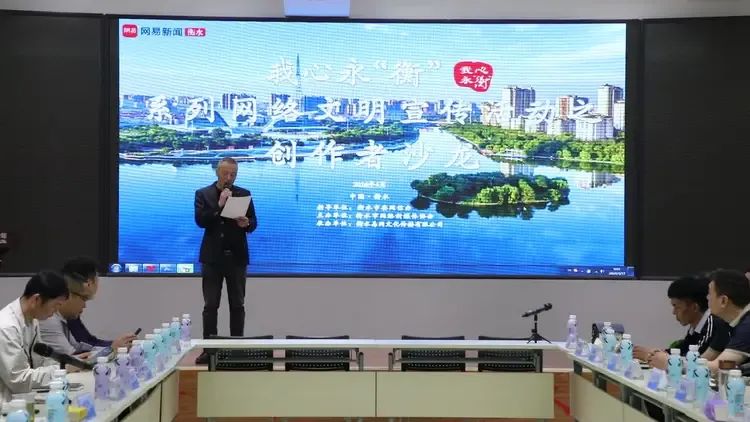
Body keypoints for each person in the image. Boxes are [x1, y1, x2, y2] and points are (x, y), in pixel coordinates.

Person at [194, 157, 257, 364]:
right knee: (211, 305)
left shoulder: (244, 193)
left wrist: (247, 223)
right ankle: (209, 350)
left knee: (237, 304)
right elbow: (201, 221)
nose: (229, 178)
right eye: (226, 174)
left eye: (233, 174)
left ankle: (237, 348)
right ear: (217, 173)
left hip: (237, 258)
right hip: (212, 259)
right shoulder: (203, 193)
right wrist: (219, 205)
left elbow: (254, 222)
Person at [0, 271, 69, 403]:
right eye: (56, 305)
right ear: (36, 300)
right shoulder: (6, 327)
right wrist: (61, 369)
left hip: (22, 398)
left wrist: (66, 363)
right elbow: (19, 380)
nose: (56, 312)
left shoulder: (32, 320)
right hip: (6, 404)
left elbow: (40, 361)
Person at [633, 275, 730, 369]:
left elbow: (695, 360)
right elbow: (683, 350)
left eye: (677, 307)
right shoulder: (695, 327)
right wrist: (656, 354)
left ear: (694, 307)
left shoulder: (712, 324)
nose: (673, 312)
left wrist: (651, 356)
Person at [58, 257, 137, 350]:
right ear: (88, 282)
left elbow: (87, 343)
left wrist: (115, 345)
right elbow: (76, 353)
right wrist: (112, 347)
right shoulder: (52, 319)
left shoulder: (69, 314)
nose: (84, 306)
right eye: (84, 299)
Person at [705, 269, 750, 372]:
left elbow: (719, 367)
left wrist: (673, 362)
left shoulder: (747, 325)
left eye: (710, 294)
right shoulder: (725, 323)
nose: (707, 298)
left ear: (723, 300)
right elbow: (707, 358)